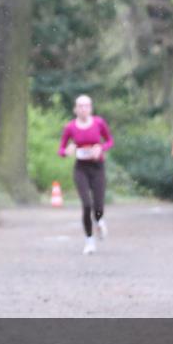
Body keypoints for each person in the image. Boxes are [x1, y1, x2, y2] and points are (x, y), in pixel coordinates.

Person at [58, 95, 114, 255]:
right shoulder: (70, 127)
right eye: (80, 106)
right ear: (75, 109)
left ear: (91, 108)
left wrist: (101, 148)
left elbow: (110, 141)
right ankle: (89, 240)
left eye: (87, 106)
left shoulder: (98, 123)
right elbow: (61, 150)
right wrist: (67, 151)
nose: (83, 109)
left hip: (98, 167)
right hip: (81, 169)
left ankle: (99, 220)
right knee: (86, 204)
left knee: (98, 205)